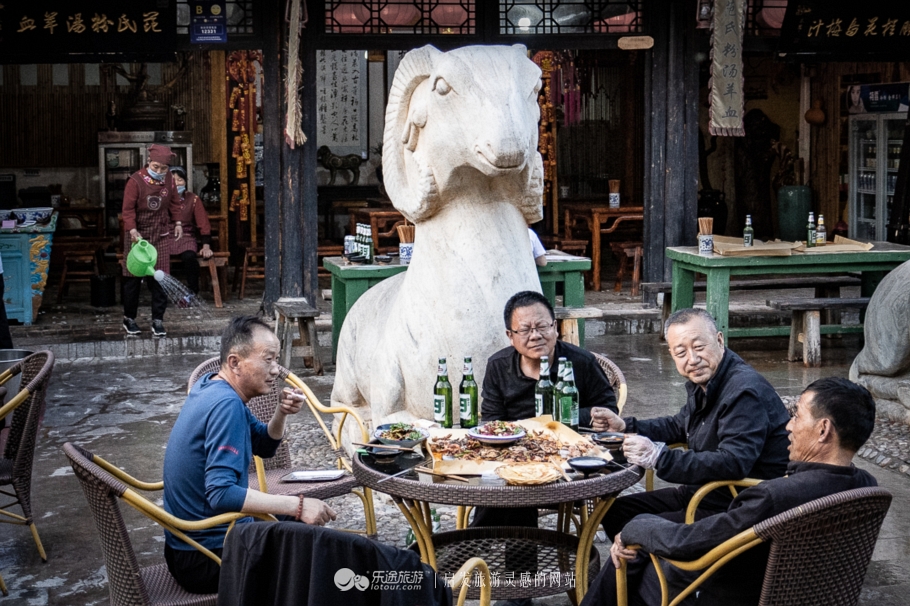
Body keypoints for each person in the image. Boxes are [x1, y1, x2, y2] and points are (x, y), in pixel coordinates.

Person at [581, 377, 878, 606]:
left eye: (797, 416)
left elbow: (686, 543)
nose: (788, 426)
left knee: (633, 558)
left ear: (823, 430)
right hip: (804, 590)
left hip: (729, 593)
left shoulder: (775, 497)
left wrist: (637, 527)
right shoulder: (867, 487)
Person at [162, 316, 336, 593]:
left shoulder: (211, 387)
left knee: (312, 537)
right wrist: (298, 505)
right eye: (268, 359)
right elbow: (221, 493)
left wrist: (281, 413)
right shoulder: (226, 404)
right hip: (208, 556)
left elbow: (264, 446)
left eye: (277, 359)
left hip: (189, 547)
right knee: (321, 558)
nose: (276, 370)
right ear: (234, 362)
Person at [592, 308, 790, 540]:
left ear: (719, 340)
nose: (693, 360)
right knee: (614, 511)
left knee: (638, 528)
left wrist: (658, 457)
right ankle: (639, 570)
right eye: (681, 352)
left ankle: (664, 572)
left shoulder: (743, 391)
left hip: (738, 507)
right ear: (671, 354)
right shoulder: (707, 380)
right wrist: (625, 427)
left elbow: (734, 462)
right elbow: (680, 425)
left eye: (699, 347)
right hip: (705, 492)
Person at [473, 291, 618, 606]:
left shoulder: (580, 362)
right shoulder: (498, 366)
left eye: (543, 326)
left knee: (515, 495)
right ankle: (514, 586)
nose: (535, 335)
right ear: (511, 336)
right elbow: (492, 421)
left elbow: (607, 411)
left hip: (571, 457)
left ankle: (485, 555)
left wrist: (575, 418)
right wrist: (524, 434)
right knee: (517, 488)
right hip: (516, 455)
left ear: (556, 328)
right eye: (524, 330)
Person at [121, 144, 183, 337]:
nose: (159, 171)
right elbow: (128, 210)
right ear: (148, 162)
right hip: (137, 236)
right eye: (155, 167)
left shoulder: (169, 181)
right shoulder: (135, 181)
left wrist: (178, 223)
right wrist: (132, 229)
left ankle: (158, 321)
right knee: (133, 279)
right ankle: (129, 319)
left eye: (163, 168)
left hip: (161, 235)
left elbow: (174, 203)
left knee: (159, 278)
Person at [169, 166, 213, 296]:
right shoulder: (161, 199)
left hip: (186, 237)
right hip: (165, 237)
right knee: (156, 258)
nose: (176, 183)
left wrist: (206, 246)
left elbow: (203, 223)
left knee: (189, 257)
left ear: (185, 182)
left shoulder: (193, 199)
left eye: (180, 180)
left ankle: (192, 292)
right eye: (172, 180)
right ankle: (159, 293)